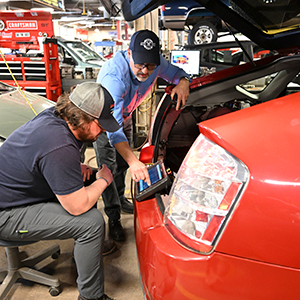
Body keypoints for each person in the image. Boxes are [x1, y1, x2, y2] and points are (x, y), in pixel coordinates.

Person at [0, 82, 120, 300]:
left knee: (88, 179)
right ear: (81, 117)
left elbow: (44, 158)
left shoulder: (56, 116)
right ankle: (91, 297)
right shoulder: (59, 144)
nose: (102, 130)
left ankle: (84, 254)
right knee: (91, 223)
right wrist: (104, 180)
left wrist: (78, 170)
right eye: (100, 124)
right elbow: (77, 206)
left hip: (15, 193)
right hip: (5, 215)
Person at [93, 29, 191, 242]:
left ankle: (120, 200)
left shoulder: (155, 64)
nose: (145, 71)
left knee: (121, 168)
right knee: (109, 171)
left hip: (125, 116)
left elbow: (176, 72)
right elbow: (113, 129)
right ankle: (114, 218)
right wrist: (134, 161)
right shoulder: (114, 78)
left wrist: (183, 81)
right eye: (139, 65)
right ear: (129, 54)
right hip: (103, 123)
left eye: (150, 66)